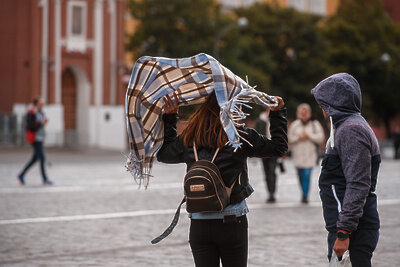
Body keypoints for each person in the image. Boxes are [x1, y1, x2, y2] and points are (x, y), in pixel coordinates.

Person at [157, 91, 287, 267]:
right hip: (232, 221)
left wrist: (171, 117)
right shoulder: (240, 137)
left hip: (199, 223)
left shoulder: (190, 137)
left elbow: (164, 154)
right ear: (232, 109)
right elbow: (279, 148)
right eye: (239, 106)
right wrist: (277, 113)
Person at [311, 73, 380, 266]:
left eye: (323, 102)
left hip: (352, 229)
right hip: (346, 225)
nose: (321, 108)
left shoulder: (351, 130)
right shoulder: (344, 126)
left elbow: (358, 184)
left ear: (334, 103)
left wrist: (344, 232)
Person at [288, 103, 324, 203]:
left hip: (310, 155)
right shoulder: (295, 124)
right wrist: (298, 137)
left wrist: (309, 135)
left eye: (305, 112)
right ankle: (303, 192)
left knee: (307, 175)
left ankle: (305, 195)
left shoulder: (315, 124)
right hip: (298, 155)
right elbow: (289, 138)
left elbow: (320, 138)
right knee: (300, 176)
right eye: (301, 112)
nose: (303, 114)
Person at [17, 97, 53, 185]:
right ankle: (45, 179)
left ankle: (21, 175)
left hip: (41, 138)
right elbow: (31, 127)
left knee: (35, 159)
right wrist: (41, 124)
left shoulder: (42, 113)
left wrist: (43, 123)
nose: (42, 105)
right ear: (36, 104)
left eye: (43, 104)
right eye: (40, 104)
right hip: (35, 139)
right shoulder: (32, 113)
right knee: (42, 158)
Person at [255, 108, 281, 203]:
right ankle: (270, 191)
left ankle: (272, 193)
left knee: (272, 170)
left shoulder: (276, 120)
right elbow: (256, 135)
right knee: (266, 172)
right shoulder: (260, 120)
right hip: (263, 150)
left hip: (274, 150)